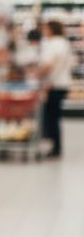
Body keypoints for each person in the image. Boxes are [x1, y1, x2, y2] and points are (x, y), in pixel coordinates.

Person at [38, 19, 72, 158]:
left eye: (46, 29)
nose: (44, 31)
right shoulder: (64, 43)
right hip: (63, 84)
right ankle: (56, 146)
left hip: (52, 85)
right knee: (55, 117)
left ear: (52, 29)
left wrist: (37, 74)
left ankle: (55, 148)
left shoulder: (52, 44)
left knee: (51, 117)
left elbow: (48, 65)